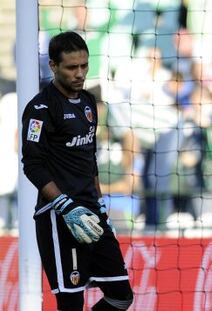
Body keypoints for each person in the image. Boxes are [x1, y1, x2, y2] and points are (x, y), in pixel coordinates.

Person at [21, 31, 133, 311]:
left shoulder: (88, 103)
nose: (80, 73)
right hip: (59, 216)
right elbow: (32, 164)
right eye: (72, 67)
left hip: (92, 214)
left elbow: (89, 157)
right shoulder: (40, 109)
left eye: (84, 65)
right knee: (71, 305)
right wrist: (64, 205)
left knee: (121, 296)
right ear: (53, 66)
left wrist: (99, 202)